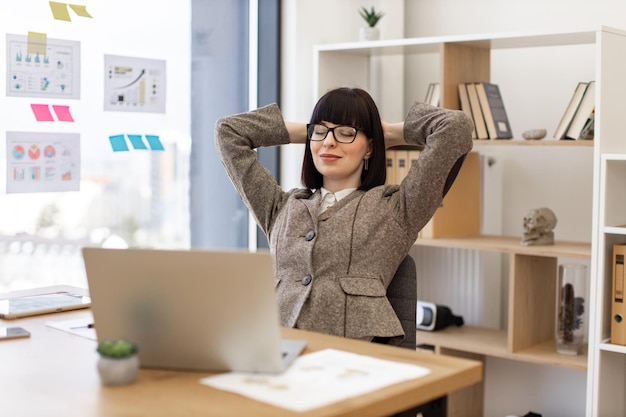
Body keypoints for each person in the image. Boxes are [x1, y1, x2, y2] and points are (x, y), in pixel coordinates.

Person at [215, 87, 473, 346]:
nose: (329, 142)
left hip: (349, 359)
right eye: (321, 131)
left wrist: (387, 134)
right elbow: (229, 131)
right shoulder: (281, 206)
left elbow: (455, 128)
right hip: (272, 348)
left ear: (370, 147)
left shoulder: (397, 209)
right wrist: (307, 133)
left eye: (346, 132)